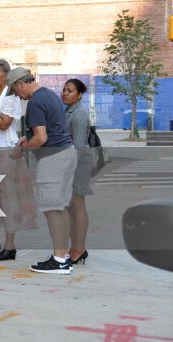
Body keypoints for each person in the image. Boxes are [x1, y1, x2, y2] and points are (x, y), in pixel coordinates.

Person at [8, 67, 77, 275]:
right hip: (66, 153)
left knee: (52, 209)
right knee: (60, 207)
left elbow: (41, 138)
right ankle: (62, 255)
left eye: (15, 91)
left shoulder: (35, 103)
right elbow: (48, 129)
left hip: (52, 159)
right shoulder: (49, 95)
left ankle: (58, 260)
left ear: (20, 83)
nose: (18, 96)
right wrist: (27, 138)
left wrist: (22, 149)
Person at [0, 59, 38, 261]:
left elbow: (4, 124)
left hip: (6, 151)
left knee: (8, 197)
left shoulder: (11, 96)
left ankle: (9, 244)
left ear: (6, 75)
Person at [61, 78, 93, 265]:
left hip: (78, 165)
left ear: (79, 94)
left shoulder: (79, 114)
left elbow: (79, 146)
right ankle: (75, 247)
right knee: (70, 208)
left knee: (78, 206)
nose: (65, 93)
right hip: (70, 163)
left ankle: (79, 249)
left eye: (70, 90)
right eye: (64, 90)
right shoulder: (69, 111)